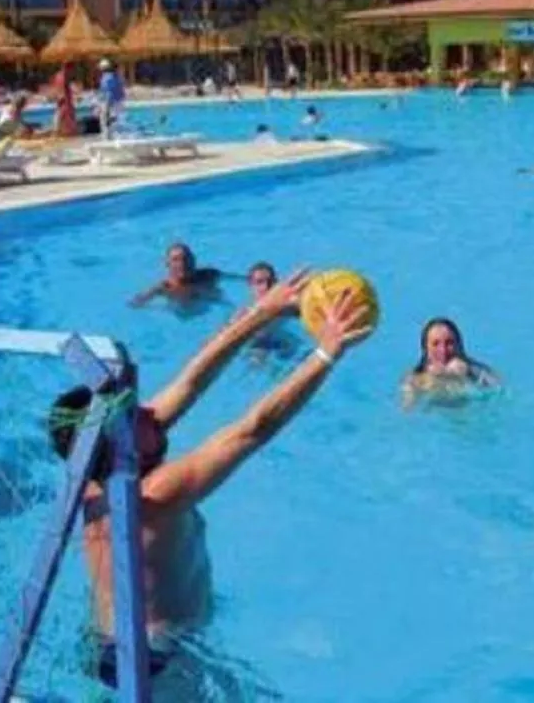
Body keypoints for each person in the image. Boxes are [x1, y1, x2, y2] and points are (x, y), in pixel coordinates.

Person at [48, 270, 371, 687]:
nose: (152, 411)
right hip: (157, 665)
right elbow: (252, 428)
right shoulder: (154, 496)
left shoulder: (92, 474)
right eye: (137, 414)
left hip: (106, 644)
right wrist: (326, 353)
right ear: (121, 444)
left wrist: (262, 312)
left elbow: (191, 382)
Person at [401, 317, 501, 406]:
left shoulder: (476, 372)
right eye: (435, 344)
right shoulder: (414, 378)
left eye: (449, 343)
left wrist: (464, 378)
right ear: (425, 349)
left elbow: (498, 394)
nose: (443, 350)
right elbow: (408, 410)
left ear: (459, 345)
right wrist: (432, 380)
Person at [130, 243, 225, 308]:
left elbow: (238, 280)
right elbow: (135, 304)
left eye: (185, 258)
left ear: (193, 260)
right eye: (176, 260)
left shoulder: (208, 274)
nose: (182, 263)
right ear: (167, 264)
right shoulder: (164, 287)